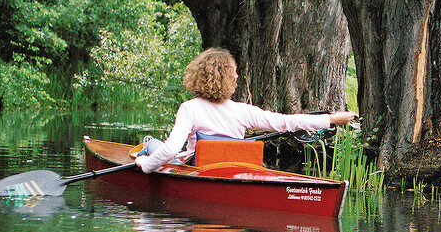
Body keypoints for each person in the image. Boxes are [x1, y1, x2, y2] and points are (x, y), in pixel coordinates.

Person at [134, 48, 357, 173]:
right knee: (160, 148)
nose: (237, 77)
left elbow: (171, 149)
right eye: (233, 73)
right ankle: (148, 145)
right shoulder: (242, 111)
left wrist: (145, 166)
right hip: (231, 171)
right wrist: (332, 119)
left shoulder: (189, 108)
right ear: (225, 78)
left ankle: (146, 146)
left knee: (154, 146)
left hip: (199, 168)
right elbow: (287, 122)